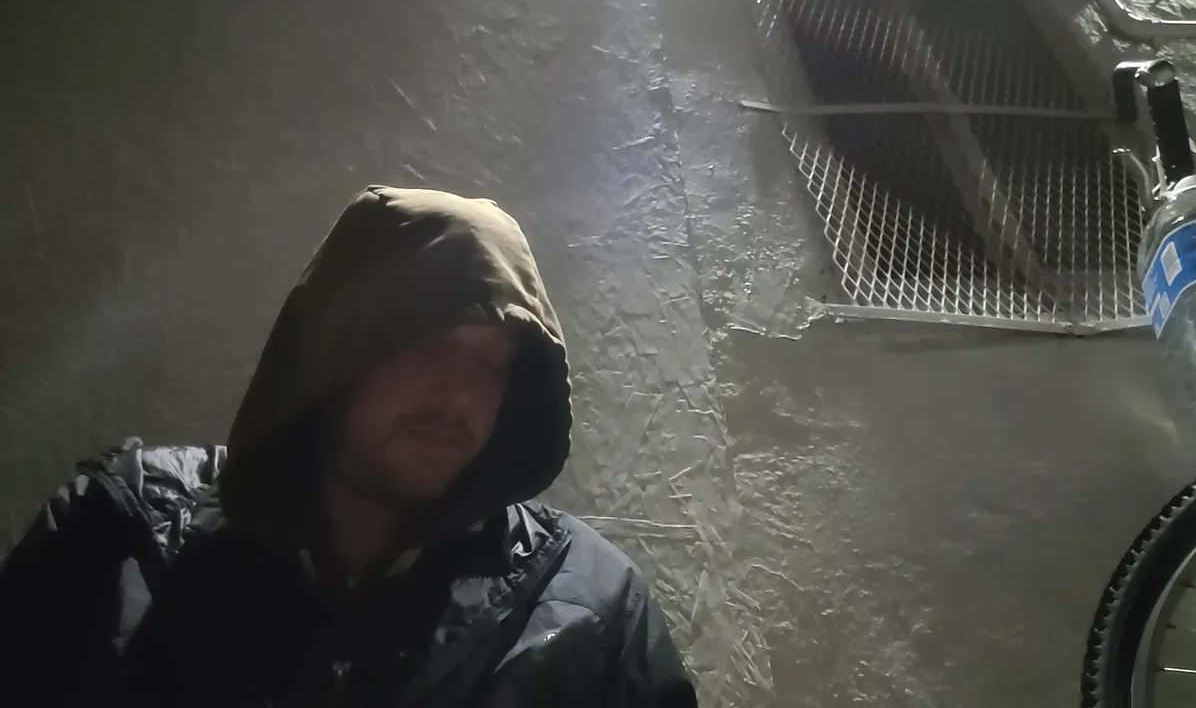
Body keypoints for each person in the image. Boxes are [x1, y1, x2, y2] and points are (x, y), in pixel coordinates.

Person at [0, 187, 699, 707]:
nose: (461, 397)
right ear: (335, 351)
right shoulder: (123, 532)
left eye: (494, 363)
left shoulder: (593, 611)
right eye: (430, 345)